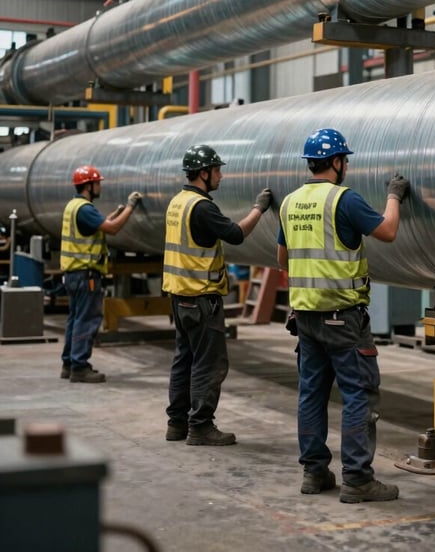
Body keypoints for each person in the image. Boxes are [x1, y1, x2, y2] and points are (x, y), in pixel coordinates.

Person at [276, 128, 409, 503]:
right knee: (358, 395)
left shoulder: (290, 203)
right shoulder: (343, 201)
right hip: (342, 318)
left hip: (305, 317)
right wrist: (393, 196)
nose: (346, 166)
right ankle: (357, 479)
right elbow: (388, 231)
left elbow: (282, 260)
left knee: (311, 394)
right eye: (345, 160)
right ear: (336, 162)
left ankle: (314, 473)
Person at [163, 144, 272, 446]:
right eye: (217, 170)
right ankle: (200, 426)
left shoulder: (177, 202)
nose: (221, 176)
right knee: (209, 364)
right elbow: (236, 234)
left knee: (184, 360)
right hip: (201, 299)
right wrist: (259, 208)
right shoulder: (202, 207)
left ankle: (177, 424)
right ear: (203, 173)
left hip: (180, 297)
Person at [60, 165, 143, 383]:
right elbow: (113, 229)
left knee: (75, 319)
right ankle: (80, 366)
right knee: (86, 320)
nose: (99, 186)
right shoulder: (85, 209)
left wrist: (116, 212)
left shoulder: (74, 205)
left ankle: (68, 363)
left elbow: (97, 225)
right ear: (88, 186)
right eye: (97, 183)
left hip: (73, 273)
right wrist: (130, 208)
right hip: (86, 275)